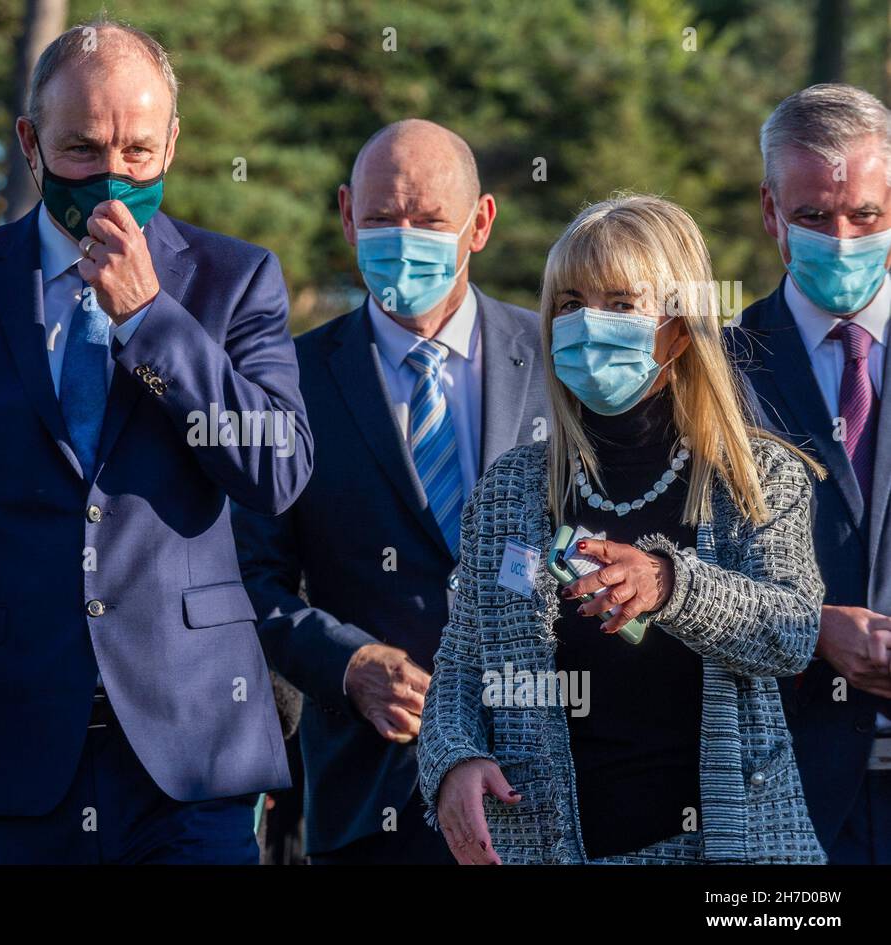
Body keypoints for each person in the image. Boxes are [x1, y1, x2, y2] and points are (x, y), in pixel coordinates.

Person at [0, 18, 312, 865]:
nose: (114, 177)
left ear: (173, 141)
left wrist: (153, 319)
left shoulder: (236, 279)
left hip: (192, 762)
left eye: (138, 150)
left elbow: (276, 469)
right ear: (31, 142)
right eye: (85, 150)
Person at [418, 194, 827, 864]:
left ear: (680, 322)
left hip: (728, 855)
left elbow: (792, 631)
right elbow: (464, 661)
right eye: (571, 302)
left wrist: (671, 587)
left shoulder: (757, 477)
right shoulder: (512, 488)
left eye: (619, 302)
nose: (587, 324)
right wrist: (454, 759)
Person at [234, 119, 549, 864]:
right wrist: (345, 663)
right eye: (380, 219)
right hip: (371, 795)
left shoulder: (556, 360)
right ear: (346, 215)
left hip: (547, 786)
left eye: (430, 220)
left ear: (481, 223)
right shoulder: (287, 380)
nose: (403, 239)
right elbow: (249, 576)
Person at [730, 83, 891, 863]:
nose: (842, 238)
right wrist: (809, 626)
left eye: (866, 215)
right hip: (781, 790)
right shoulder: (715, 374)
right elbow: (670, 566)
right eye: (813, 217)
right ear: (770, 212)